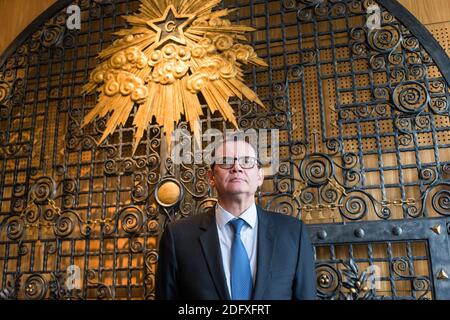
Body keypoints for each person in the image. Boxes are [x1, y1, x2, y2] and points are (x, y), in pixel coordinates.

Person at [155, 137, 317, 300]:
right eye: (225, 161)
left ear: (260, 176)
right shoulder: (178, 237)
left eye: (246, 161)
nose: (237, 167)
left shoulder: (293, 233)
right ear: (211, 177)